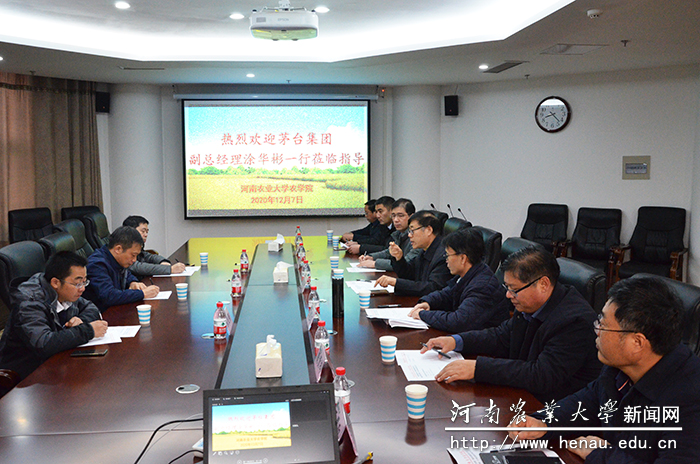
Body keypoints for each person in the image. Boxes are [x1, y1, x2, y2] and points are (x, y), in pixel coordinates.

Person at [509, 276, 700, 463]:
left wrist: (601, 454)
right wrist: (544, 422)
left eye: (603, 325)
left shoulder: (690, 399)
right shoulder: (619, 367)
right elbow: (589, 400)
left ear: (637, 343)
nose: (596, 331)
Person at [421, 246, 600, 403]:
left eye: (514, 289)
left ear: (543, 284)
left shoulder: (574, 321)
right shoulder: (529, 303)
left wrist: (477, 368)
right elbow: (501, 336)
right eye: (507, 288)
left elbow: (541, 375)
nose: (508, 295)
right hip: (524, 394)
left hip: (554, 410)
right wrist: (456, 340)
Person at [0, 251, 108, 380]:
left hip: (56, 360)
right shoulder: (30, 301)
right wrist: (88, 331)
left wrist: (81, 320)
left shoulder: (65, 290)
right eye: (78, 283)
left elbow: (91, 308)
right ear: (55, 282)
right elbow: (43, 344)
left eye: (84, 282)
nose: (82, 288)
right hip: (27, 372)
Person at [408, 227, 508, 333]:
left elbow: (458, 322)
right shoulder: (467, 274)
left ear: (463, 258)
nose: (446, 260)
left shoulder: (483, 287)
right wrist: (428, 302)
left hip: (483, 342)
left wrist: (423, 314)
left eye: (447, 255)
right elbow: (446, 294)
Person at [375, 210, 451, 297]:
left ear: (428, 230)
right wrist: (399, 258)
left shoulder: (444, 254)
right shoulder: (425, 250)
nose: (409, 235)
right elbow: (409, 274)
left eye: (412, 231)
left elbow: (432, 288)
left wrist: (396, 282)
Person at [84, 226, 160, 313]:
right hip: (102, 315)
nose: (134, 260)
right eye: (133, 255)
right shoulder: (97, 265)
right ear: (118, 249)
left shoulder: (115, 258)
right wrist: (142, 294)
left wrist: (133, 282)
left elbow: (126, 273)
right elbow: (109, 296)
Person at [358, 198, 420, 270]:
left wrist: (375, 263)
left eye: (401, 215)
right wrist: (371, 257)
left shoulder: (417, 237)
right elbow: (389, 252)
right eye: (393, 216)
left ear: (411, 217)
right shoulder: (398, 234)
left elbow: (405, 263)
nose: (396, 220)